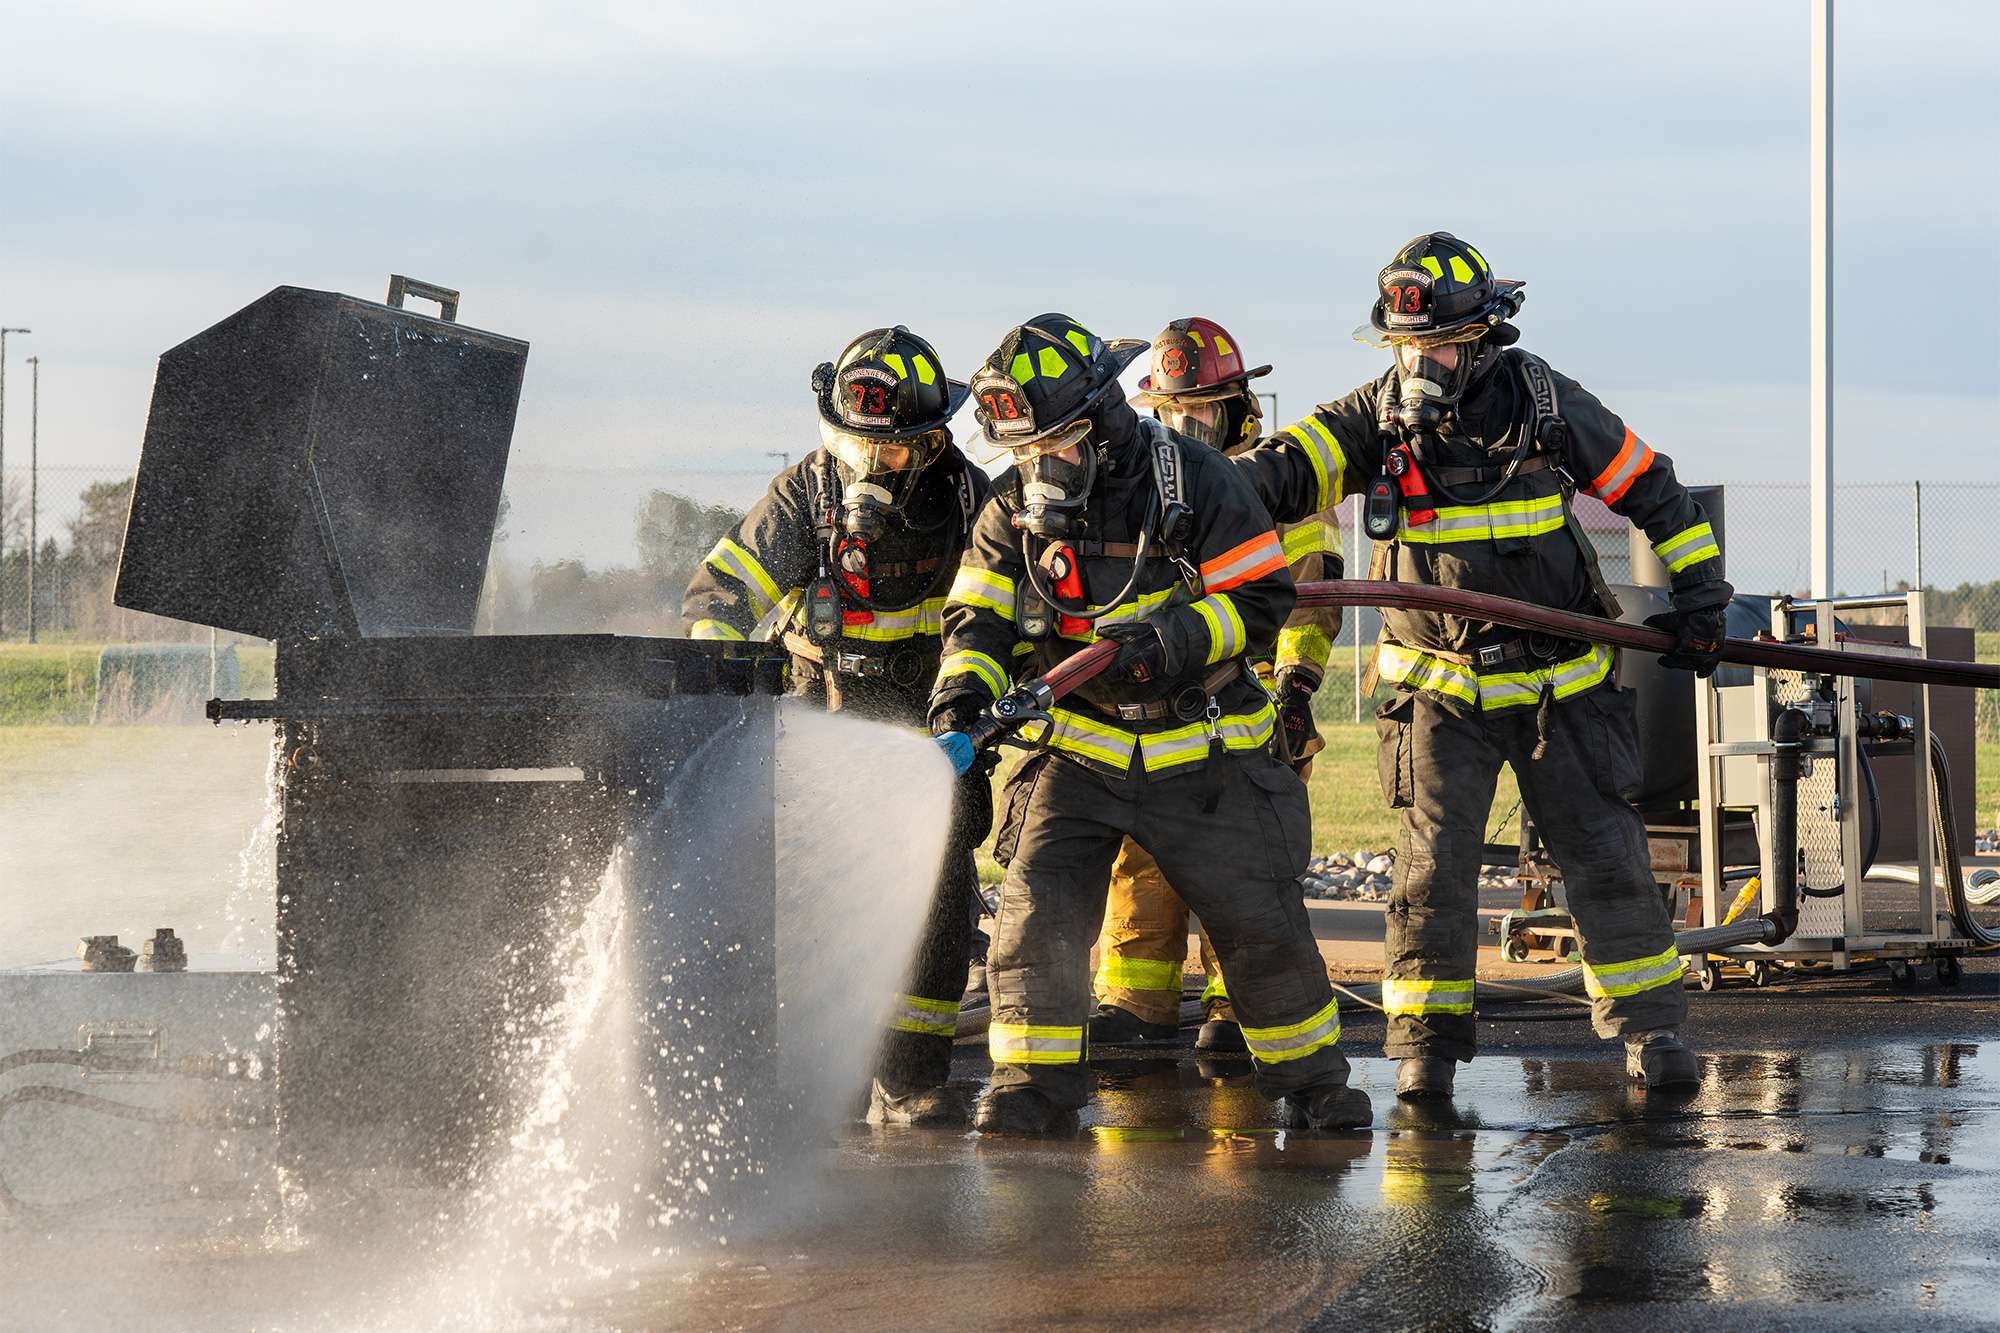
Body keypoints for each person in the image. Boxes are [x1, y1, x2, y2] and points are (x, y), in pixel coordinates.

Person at [1234, 232, 1730, 1098]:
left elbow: (1651, 487)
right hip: (1436, 693)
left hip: (1558, 684)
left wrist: (1702, 592)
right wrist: (1194, 484)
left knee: (1607, 858)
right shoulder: (1373, 416)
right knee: (1429, 874)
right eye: (1405, 346)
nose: (1420, 361)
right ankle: (1425, 1046)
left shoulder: (1543, 402)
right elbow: (1284, 473)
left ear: (1483, 338)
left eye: (1438, 345)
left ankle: (1651, 1031)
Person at [928, 313, 1370, 1136]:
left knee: (1258, 918)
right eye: (1023, 452)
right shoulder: (1010, 508)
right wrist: (961, 703)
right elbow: (978, 622)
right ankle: (1032, 1083)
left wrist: (1175, 641)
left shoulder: (1198, 483)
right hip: (1079, 750)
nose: (1037, 468)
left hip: (1202, 748)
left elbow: (1261, 599)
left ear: (1099, 424)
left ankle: (1312, 1081)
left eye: (1052, 445)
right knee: (1037, 911)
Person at [683, 325, 993, 1125]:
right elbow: (719, 596)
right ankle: (827, 1087)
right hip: (821, 739)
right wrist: (728, 704)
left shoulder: (969, 502)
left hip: (934, 742)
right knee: (817, 921)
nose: (869, 467)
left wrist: (977, 730)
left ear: (929, 444)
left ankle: (915, 1083)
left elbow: (1003, 625)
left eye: (890, 453)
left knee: (936, 915)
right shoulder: (803, 497)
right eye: (855, 446)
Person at [1088, 317, 1344, 1054]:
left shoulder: (1277, 490)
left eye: (1202, 408)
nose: (1187, 423)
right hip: (1162, 706)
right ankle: (1136, 1003)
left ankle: (1236, 1007)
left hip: (1253, 711)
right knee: (1144, 852)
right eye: (1172, 411)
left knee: (1246, 861)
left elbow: (1308, 595)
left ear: (1239, 410)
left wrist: (1295, 687)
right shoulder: (1145, 484)